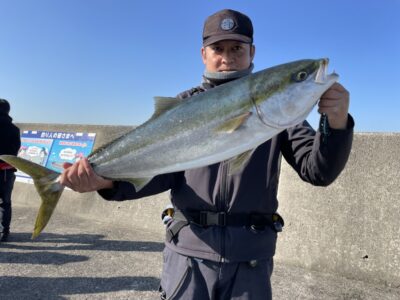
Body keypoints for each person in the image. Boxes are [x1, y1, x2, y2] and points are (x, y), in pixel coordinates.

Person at [60, 9, 354, 300]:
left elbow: (318, 171)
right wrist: (107, 182)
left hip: (250, 260)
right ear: (204, 54)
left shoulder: (283, 119)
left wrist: (336, 124)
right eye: (218, 48)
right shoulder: (182, 106)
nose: (227, 57)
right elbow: (162, 174)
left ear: (252, 52)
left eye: (237, 48)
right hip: (189, 256)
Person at [0, 99, 21, 242]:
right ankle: (4, 232)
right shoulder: (14, 129)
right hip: (6, 171)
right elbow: (14, 152)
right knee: (5, 203)